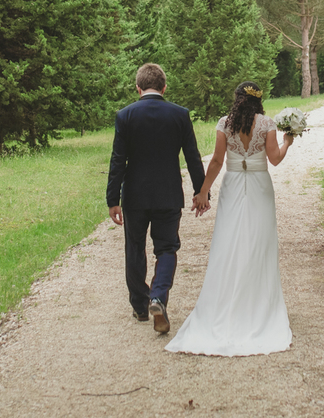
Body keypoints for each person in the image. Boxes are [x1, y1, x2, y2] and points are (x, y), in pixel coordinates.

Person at [164, 80, 294, 356]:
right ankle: (257, 304)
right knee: (259, 242)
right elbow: (275, 160)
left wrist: (202, 192)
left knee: (228, 242)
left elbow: (216, 162)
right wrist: (286, 142)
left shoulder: (226, 123)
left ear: (237, 98)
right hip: (259, 186)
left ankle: (225, 302)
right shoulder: (268, 124)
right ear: (258, 101)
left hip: (234, 185)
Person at [107, 63, 207, 334]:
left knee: (134, 248)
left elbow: (118, 160)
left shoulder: (125, 115)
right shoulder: (180, 114)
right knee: (166, 248)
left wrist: (112, 199)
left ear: (138, 88)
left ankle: (140, 307)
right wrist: (202, 192)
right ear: (164, 87)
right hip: (168, 193)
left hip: (135, 196)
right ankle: (158, 297)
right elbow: (192, 156)